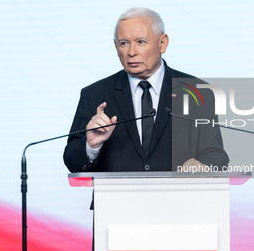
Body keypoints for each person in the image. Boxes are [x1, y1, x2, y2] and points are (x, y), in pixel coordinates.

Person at [63, 7, 229, 173]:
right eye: (124, 43)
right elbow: (72, 161)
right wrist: (91, 145)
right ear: (116, 47)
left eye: (140, 42)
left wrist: (204, 164)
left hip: (178, 197)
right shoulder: (95, 94)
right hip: (115, 198)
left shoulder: (198, 92)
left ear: (162, 43)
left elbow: (216, 155)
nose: (131, 52)